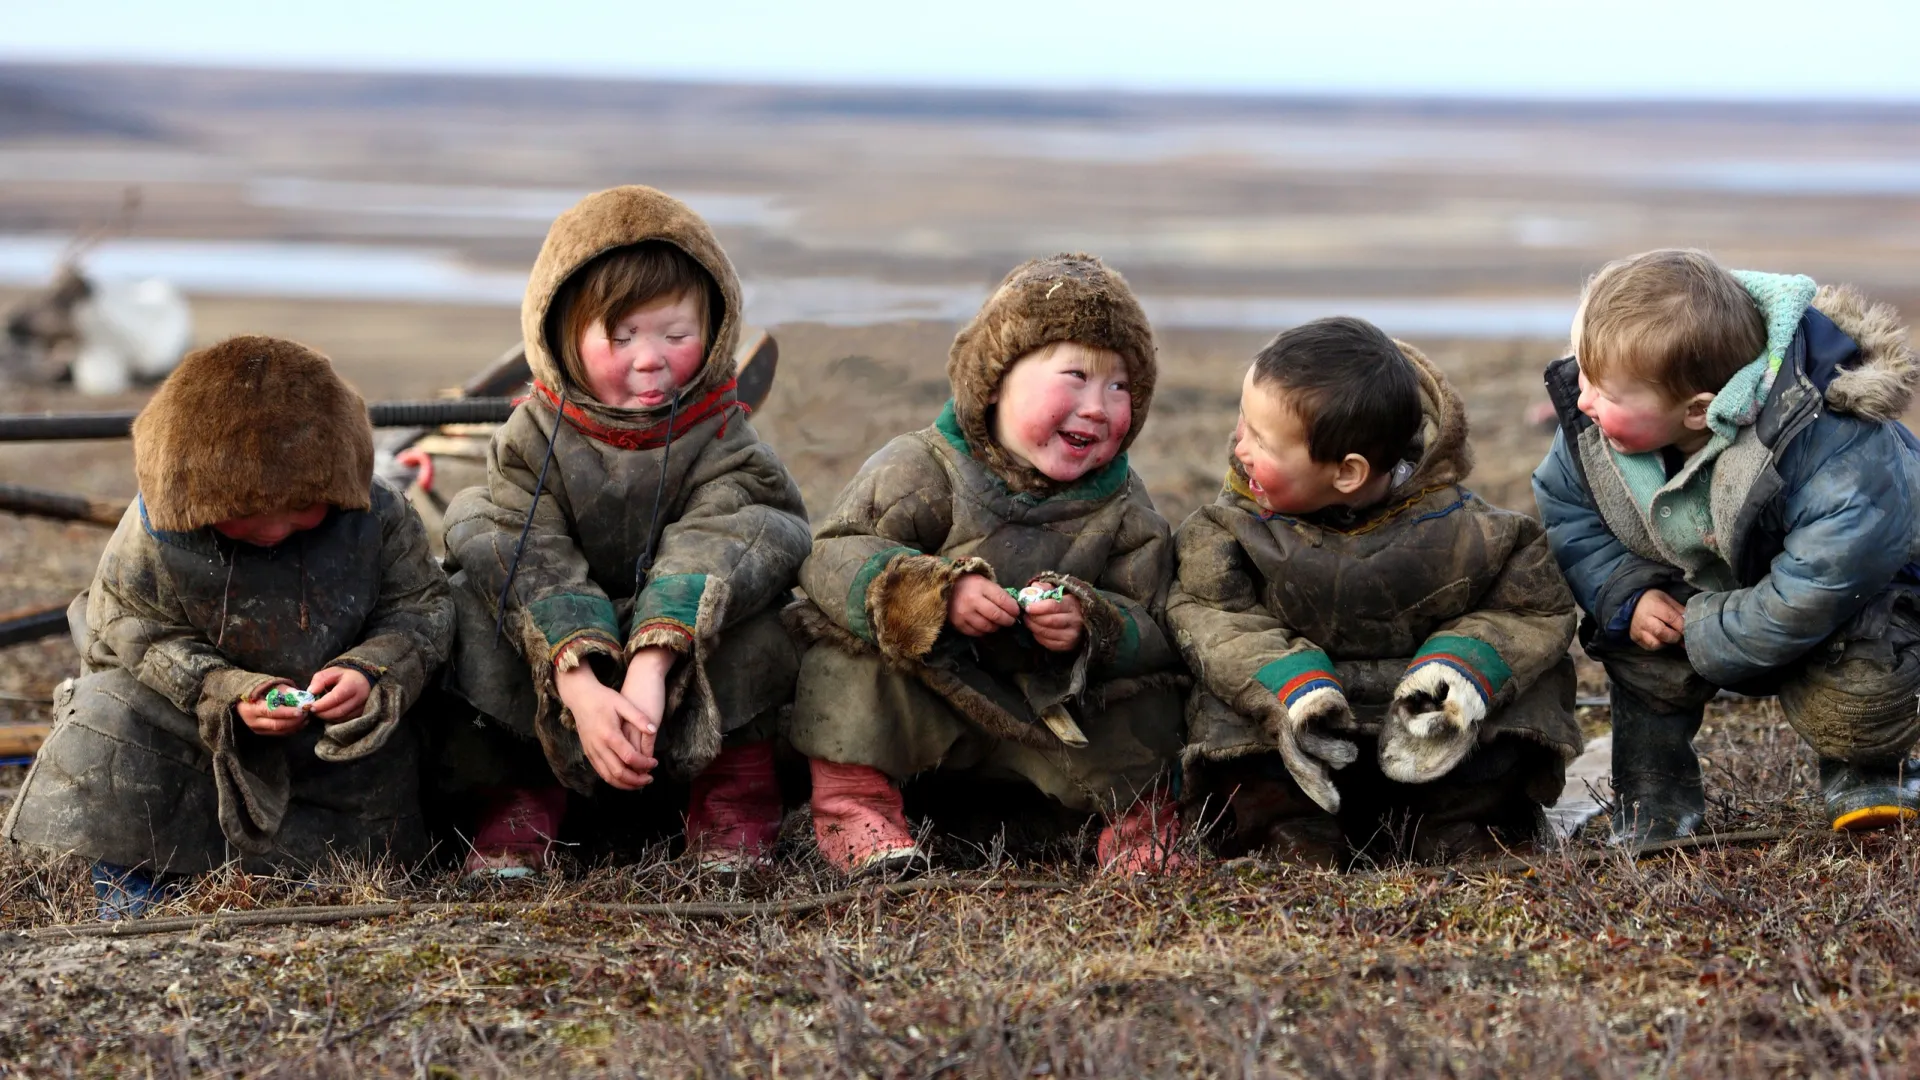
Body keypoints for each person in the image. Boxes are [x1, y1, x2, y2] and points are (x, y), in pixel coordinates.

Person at [4, 335, 452, 918]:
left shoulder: (380, 516)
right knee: (107, 707)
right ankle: (138, 880)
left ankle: (314, 873)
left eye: (298, 509)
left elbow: (422, 607)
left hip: (335, 741)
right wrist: (228, 692)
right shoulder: (155, 529)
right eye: (243, 515)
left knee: (423, 731)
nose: (271, 530)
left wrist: (370, 671)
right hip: (193, 735)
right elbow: (132, 628)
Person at [439, 186, 811, 875]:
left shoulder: (724, 433)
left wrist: (652, 659)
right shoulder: (529, 435)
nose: (652, 358)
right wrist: (577, 679)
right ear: (560, 339)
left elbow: (731, 536)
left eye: (676, 335)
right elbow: (517, 543)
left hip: (674, 656)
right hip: (568, 653)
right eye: (621, 336)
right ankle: (522, 800)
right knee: (469, 602)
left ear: (717, 328)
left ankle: (732, 797)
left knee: (763, 616)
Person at [784, 253, 1187, 878]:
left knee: (1150, 704)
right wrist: (932, 595)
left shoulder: (1125, 504)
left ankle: (1139, 829)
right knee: (844, 659)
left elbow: (1156, 618)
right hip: (929, 693)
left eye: (1120, 387)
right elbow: (834, 555)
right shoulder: (921, 466)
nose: (1098, 406)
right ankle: (853, 804)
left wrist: (1092, 622)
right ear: (995, 381)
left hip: (1047, 707)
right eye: (1075, 376)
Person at [1535, 249, 1920, 842]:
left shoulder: (1837, 444)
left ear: (1697, 410)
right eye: (1583, 373)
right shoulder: (1591, 437)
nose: (1582, 398)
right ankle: (1653, 792)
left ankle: (1871, 770)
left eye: (1605, 393)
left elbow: (1823, 582)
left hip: (1851, 600)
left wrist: (1707, 625)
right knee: (1640, 643)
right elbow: (1570, 513)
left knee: (1868, 661)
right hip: (1714, 590)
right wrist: (1627, 593)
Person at [1172, 317, 1579, 865]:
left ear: (1347, 473)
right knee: (1221, 701)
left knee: (1524, 688)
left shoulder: (1475, 533)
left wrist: (1458, 672)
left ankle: (1462, 828)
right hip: (1298, 740)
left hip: (1426, 743)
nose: (1237, 445)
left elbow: (1532, 607)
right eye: (1242, 420)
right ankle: (1287, 833)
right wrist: (1286, 684)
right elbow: (1208, 613)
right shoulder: (1227, 530)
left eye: (1260, 439)